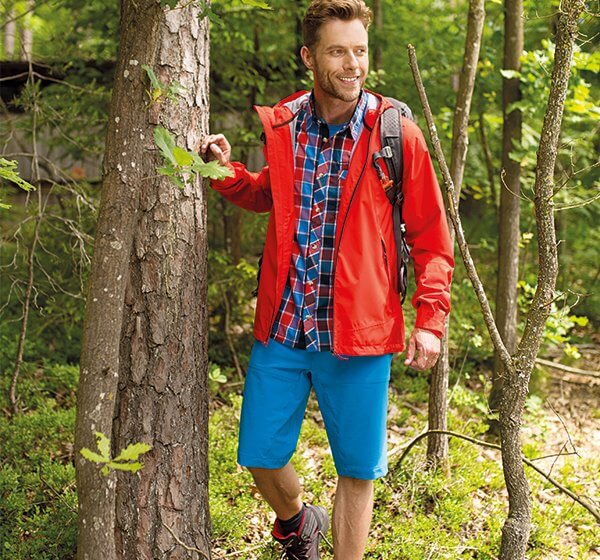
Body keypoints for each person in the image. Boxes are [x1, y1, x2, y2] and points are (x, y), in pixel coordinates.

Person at [201, 1, 454, 558]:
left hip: (361, 332)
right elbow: (273, 195)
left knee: (357, 470)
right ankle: (297, 521)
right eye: (338, 51)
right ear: (309, 57)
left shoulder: (395, 134)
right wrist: (226, 174)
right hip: (287, 325)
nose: (351, 64)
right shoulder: (287, 125)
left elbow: (433, 238)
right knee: (260, 455)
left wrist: (430, 321)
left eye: (359, 51)